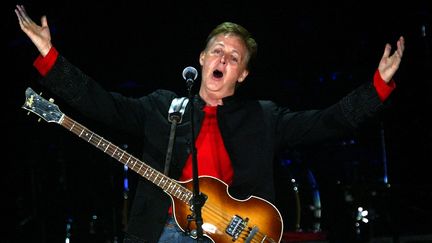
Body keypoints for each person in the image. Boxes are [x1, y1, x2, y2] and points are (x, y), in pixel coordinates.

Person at [15, 4, 405, 243]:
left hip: (235, 233)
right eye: (217, 51)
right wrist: (50, 56)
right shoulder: (163, 106)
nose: (223, 58)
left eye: (233, 57)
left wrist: (377, 86)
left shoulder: (263, 117)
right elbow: (102, 105)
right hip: (167, 231)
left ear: (243, 75)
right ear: (201, 58)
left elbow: (327, 122)